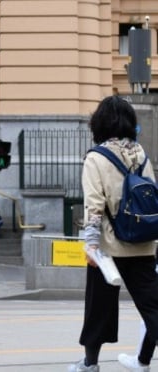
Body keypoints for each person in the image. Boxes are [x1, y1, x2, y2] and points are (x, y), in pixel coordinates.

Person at [68, 95, 158, 372]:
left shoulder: (96, 157)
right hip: (143, 243)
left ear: (100, 123)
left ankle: (90, 364)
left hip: (109, 246)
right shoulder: (141, 154)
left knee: (98, 308)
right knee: (153, 307)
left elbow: (94, 206)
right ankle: (142, 361)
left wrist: (91, 245)